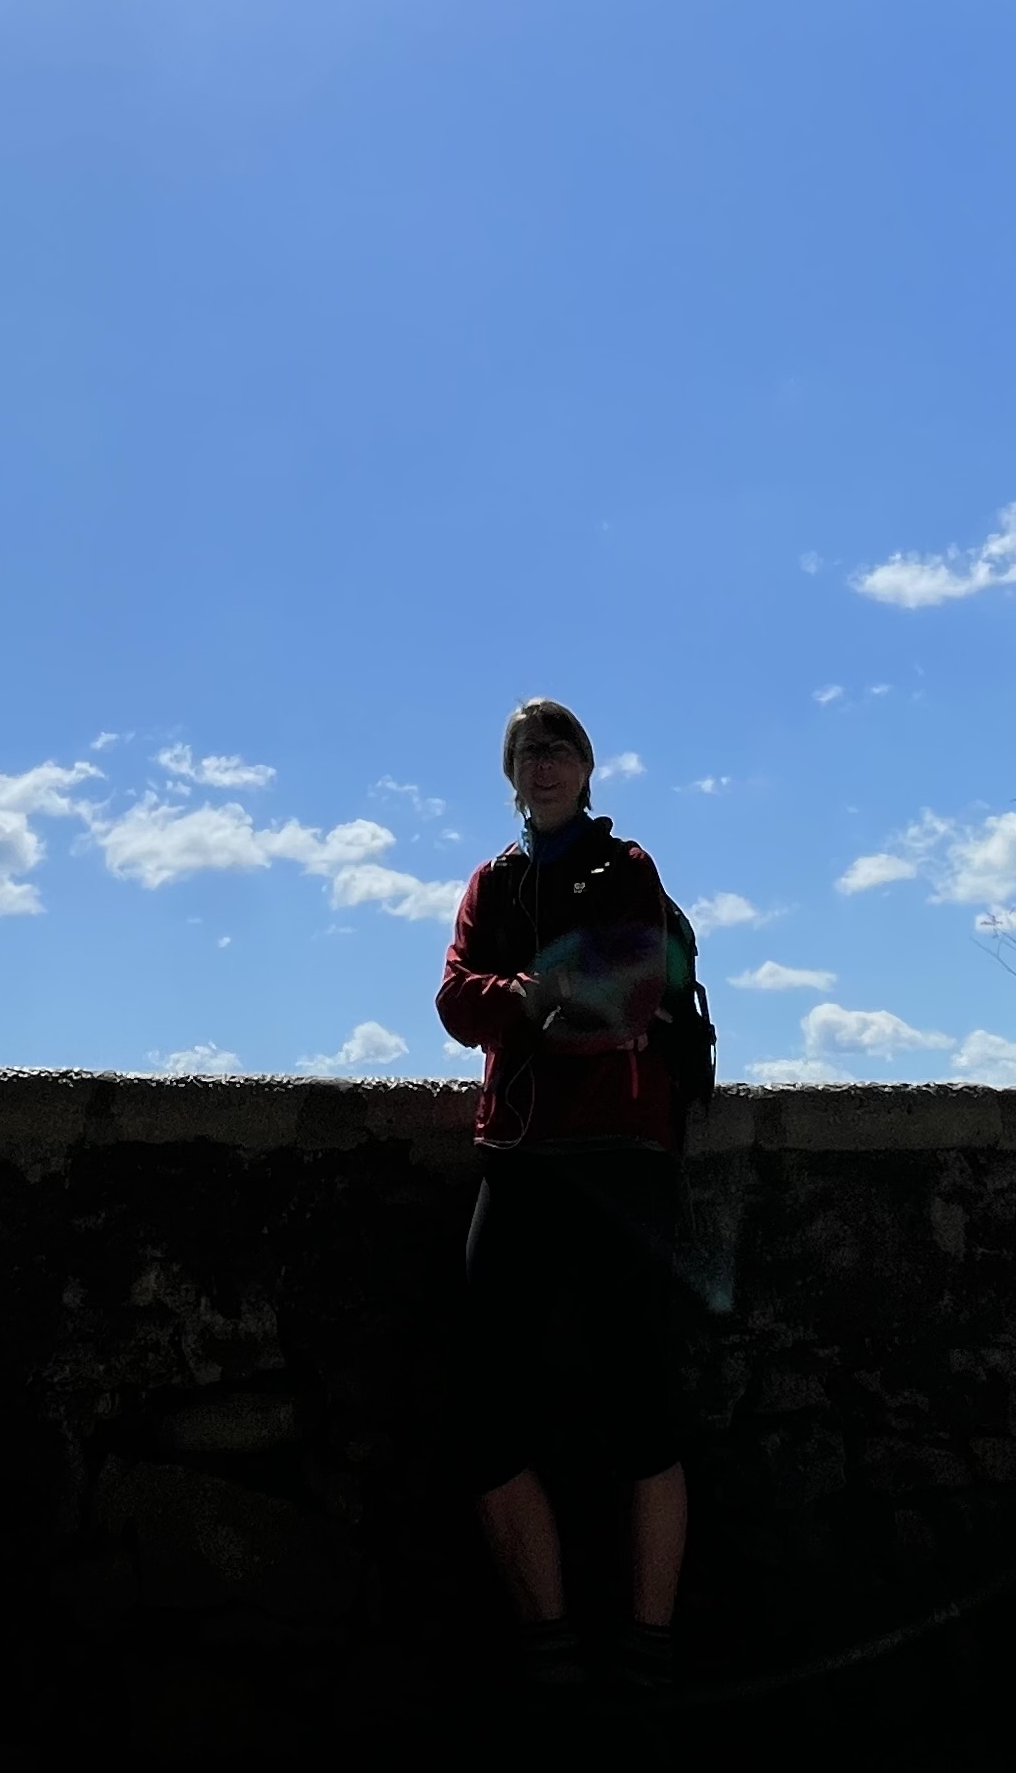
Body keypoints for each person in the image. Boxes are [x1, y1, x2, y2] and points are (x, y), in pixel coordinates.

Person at [432, 694, 707, 1713]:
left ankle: (648, 1645)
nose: (542, 765)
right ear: (509, 776)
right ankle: (549, 1642)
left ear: (587, 768)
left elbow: (633, 986)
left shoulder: (625, 868)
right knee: (483, 1410)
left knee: (643, 1406)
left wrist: (525, 997)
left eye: (558, 749)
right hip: (520, 1155)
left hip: (621, 1156)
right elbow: (455, 1000)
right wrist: (542, 995)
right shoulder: (491, 882)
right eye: (525, 753)